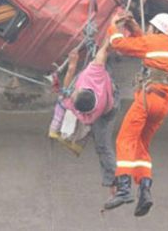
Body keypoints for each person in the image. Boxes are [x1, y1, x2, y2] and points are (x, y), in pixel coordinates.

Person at [104, 11, 168, 217]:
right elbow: (144, 42)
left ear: (156, 29)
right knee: (141, 146)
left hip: (148, 98)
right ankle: (145, 190)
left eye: (149, 27)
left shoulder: (152, 42)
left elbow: (119, 44)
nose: (146, 30)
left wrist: (114, 26)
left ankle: (124, 188)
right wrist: (133, 25)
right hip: (163, 103)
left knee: (124, 140)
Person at [48, 39, 120, 192]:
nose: (72, 92)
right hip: (109, 100)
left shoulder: (84, 115)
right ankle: (116, 181)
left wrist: (72, 65)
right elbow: (102, 53)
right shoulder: (93, 75)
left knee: (102, 146)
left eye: (74, 93)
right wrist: (109, 39)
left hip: (106, 105)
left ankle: (114, 180)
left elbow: (66, 91)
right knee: (103, 145)